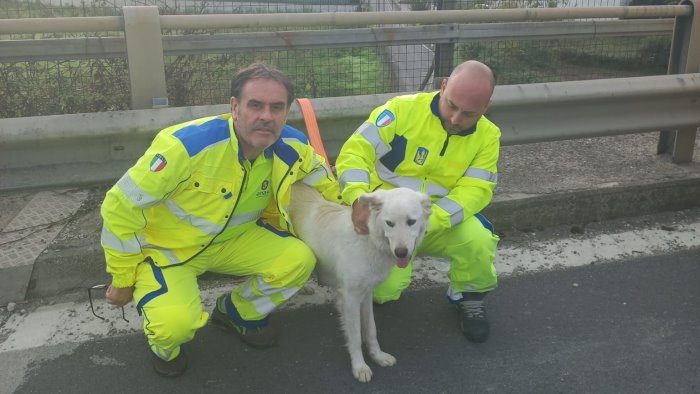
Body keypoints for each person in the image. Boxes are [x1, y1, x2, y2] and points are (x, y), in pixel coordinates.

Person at [100, 63, 338, 377]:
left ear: (286, 111)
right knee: (174, 328)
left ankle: (237, 313)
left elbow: (327, 184)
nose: (266, 116)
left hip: (234, 241)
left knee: (298, 259)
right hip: (166, 252)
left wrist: (363, 211)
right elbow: (119, 207)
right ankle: (167, 348)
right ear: (234, 107)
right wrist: (122, 278)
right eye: (255, 105)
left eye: (276, 107)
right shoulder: (187, 147)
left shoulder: (293, 147)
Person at [335, 60, 500, 343]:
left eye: (469, 113)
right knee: (382, 294)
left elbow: (475, 190)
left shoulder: (488, 136)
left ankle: (469, 297)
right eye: (452, 106)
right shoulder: (400, 110)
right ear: (444, 85)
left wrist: (424, 223)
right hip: (387, 220)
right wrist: (357, 199)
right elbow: (354, 153)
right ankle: (398, 268)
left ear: (486, 108)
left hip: (436, 218)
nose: (457, 119)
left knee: (478, 241)